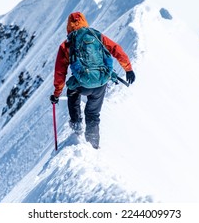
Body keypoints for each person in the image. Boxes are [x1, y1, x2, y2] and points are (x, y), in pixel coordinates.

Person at [50, 12, 135, 149]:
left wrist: (56, 94)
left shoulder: (66, 45)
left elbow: (60, 73)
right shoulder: (97, 36)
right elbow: (116, 49)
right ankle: (93, 144)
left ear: (69, 27)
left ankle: (76, 123)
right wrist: (128, 69)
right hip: (101, 82)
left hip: (82, 84)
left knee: (72, 90)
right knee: (93, 114)